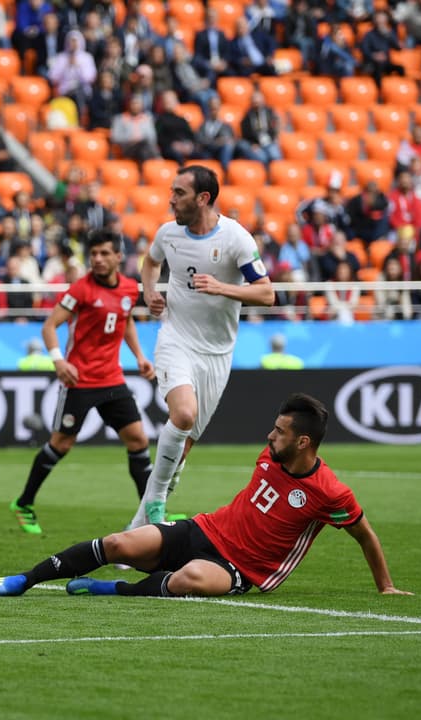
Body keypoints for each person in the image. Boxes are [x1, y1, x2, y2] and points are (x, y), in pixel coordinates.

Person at [0, 394, 411, 598]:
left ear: (303, 443)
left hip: (243, 570)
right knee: (119, 542)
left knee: (190, 579)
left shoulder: (331, 492)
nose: (270, 436)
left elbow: (366, 536)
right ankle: (25, 579)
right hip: (205, 529)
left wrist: (386, 586)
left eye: (280, 432)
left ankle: (112, 589)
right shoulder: (270, 454)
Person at [131, 165, 275, 529]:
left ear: (203, 198)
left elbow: (267, 293)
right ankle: (158, 504)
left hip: (217, 354)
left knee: (183, 447)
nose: (171, 199)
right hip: (176, 338)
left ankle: (137, 532)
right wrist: (150, 292)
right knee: (183, 416)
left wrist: (224, 287)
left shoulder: (236, 239)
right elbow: (151, 263)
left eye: (179, 192)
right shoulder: (168, 234)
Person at [10, 230, 157, 535]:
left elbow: (125, 319)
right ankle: (24, 503)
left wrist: (140, 356)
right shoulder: (81, 289)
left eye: (105, 253)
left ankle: (150, 510)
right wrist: (58, 360)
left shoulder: (130, 289)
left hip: (112, 378)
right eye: (94, 254)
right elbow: (50, 326)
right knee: (61, 444)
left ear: (119, 257)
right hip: (80, 379)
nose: (98, 259)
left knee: (139, 441)